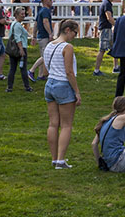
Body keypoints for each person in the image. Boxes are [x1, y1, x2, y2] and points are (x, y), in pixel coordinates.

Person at [44, 19, 81, 169]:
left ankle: (54, 159)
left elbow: (46, 67)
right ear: (67, 30)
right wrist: (77, 92)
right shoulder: (67, 47)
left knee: (53, 124)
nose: (75, 35)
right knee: (66, 125)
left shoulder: (49, 45)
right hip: (63, 85)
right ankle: (60, 160)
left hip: (50, 84)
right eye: (75, 32)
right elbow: (69, 72)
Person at [6, 7, 33, 92]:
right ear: (16, 15)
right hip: (20, 49)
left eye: (24, 14)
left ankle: (9, 87)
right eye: (22, 14)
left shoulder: (14, 24)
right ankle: (27, 87)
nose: (23, 16)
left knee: (12, 68)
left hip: (13, 49)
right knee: (23, 69)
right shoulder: (17, 25)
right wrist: (21, 49)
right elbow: (18, 38)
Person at [28, 0, 55, 82]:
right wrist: (50, 33)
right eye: (50, 0)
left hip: (40, 37)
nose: (52, 2)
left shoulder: (40, 11)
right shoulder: (46, 11)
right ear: (46, 1)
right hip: (44, 36)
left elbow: (35, 24)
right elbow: (45, 21)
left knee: (42, 56)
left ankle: (40, 75)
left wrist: (34, 36)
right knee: (45, 56)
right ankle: (31, 71)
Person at [94, 0, 119, 76]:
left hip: (107, 29)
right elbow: (109, 17)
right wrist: (117, 25)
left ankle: (116, 67)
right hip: (105, 29)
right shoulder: (107, 4)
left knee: (114, 47)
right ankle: (96, 70)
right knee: (102, 50)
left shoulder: (107, 3)